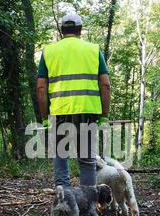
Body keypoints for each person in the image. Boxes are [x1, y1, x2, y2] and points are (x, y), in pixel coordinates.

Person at [37, 13, 111, 187]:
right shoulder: (93, 50)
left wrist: (44, 117)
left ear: (62, 30)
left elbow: (41, 88)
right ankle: (88, 206)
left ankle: (62, 201)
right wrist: (104, 114)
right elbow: (105, 84)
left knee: (61, 157)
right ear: (80, 29)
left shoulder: (49, 52)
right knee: (86, 161)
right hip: (87, 112)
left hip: (59, 112)